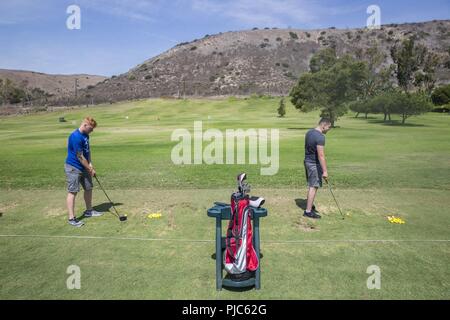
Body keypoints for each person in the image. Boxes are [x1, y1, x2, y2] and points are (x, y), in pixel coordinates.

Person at [64, 117, 103, 227]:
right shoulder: (75, 137)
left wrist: (90, 164)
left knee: (88, 188)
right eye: (91, 128)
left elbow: (87, 151)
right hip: (73, 167)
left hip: (84, 167)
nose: (92, 130)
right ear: (85, 125)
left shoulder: (86, 135)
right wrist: (90, 169)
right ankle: (71, 218)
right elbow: (80, 156)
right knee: (73, 192)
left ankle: (89, 211)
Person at [303, 118, 332, 219]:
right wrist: (325, 171)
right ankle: (308, 211)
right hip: (313, 164)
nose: (329, 129)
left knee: (311, 185)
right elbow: (321, 155)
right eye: (329, 127)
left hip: (307, 161)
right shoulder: (320, 137)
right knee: (314, 186)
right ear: (323, 125)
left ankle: (309, 205)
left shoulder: (309, 132)